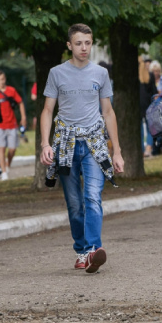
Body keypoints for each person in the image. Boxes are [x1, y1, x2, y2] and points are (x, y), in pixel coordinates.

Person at [40, 23, 125, 272]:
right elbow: (47, 111)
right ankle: (81, 250)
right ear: (69, 45)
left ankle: (92, 250)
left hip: (94, 144)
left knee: (92, 197)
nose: (84, 48)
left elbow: (108, 112)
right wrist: (45, 144)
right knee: (75, 204)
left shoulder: (100, 73)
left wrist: (117, 151)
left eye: (87, 43)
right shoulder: (56, 73)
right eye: (78, 43)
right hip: (65, 145)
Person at [0, 70, 26, 180]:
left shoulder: (11, 90)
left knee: (12, 149)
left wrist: (23, 117)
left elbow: (20, 102)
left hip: (12, 124)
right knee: (1, 148)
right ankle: (4, 173)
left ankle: (6, 165)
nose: (2, 81)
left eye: (3, 79)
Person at [138, 57, 157, 159]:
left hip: (138, 106)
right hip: (148, 105)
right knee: (150, 128)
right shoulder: (149, 75)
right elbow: (154, 92)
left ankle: (141, 150)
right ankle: (148, 148)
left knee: (140, 129)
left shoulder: (135, 77)